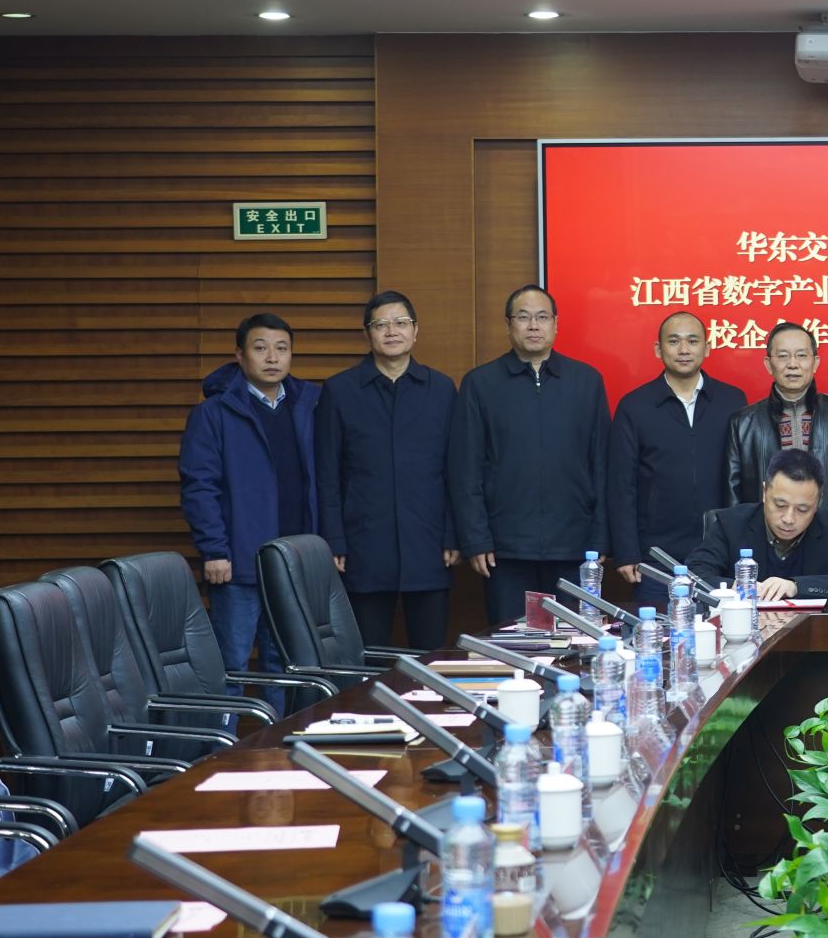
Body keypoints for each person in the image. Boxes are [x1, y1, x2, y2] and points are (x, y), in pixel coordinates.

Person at [448, 284, 611, 626]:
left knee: (574, 642)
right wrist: (476, 540)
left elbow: (602, 465)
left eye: (542, 317)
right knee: (513, 644)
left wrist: (600, 538)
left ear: (556, 324)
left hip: (575, 546)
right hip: (505, 549)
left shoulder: (586, 381)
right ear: (508, 326)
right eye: (523, 317)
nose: (533, 326)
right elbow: (466, 469)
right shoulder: (480, 384)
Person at [314, 291, 458, 652]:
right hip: (363, 543)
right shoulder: (340, 390)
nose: (391, 331)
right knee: (368, 655)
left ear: (415, 331)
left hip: (428, 542)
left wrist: (453, 534)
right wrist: (334, 539)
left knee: (430, 656)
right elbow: (327, 473)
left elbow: (455, 470)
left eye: (400, 323)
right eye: (381, 324)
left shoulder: (441, 389)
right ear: (367, 333)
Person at [177, 312, 318, 683]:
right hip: (238, 560)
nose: (272, 358)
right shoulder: (213, 413)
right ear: (239, 355)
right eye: (260, 348)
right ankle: (225, 726)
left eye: (282, 348)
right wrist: (214, 550)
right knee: (232, 663)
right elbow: (199, 486)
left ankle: (280, 726)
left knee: (284, 664)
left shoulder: (309, 406)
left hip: (294, 559)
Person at [607, 311, 747, 602]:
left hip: (719, 554)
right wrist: (626, 551)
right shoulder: (635, 406)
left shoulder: (732, 401)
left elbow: (745, 478)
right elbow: (621, 485)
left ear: (707, 348)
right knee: (660, 629)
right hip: (656, 558)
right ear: (658, 350)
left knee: (722, 629)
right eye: (674, 341)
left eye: (692, 341)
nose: (684, 349)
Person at [724, 321, 828, 571]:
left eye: (801, 355)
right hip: (764, 551)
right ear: (768, 364)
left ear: (815, 362)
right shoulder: (744, 422)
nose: (792, 364)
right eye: (783, 356)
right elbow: (733, 500)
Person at [687, 449, 828, 599]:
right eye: (780, 505)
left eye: (802, 509)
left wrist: (796, 586)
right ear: (764, 492)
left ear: (817, 503)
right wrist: (737, 587)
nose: (788, 519)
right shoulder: (731, 524)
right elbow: (694, 574)